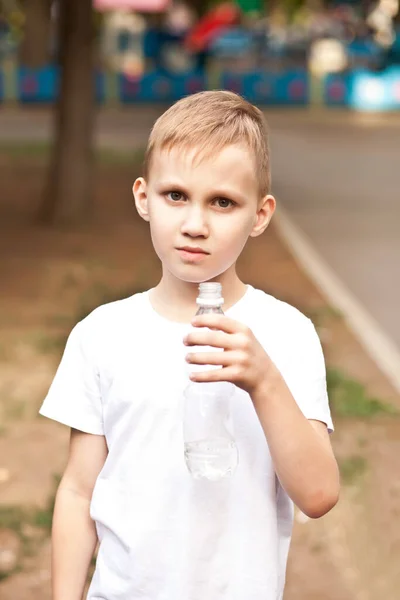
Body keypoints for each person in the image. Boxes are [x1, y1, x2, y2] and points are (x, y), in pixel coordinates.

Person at [39, 90, 340, 600]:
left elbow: (318, 495)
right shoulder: (101, 334)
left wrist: (263, 380)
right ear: (143, 198)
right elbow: (77, 491)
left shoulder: (286, 333)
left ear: (261, 215)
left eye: (222, 202)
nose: (195, 225)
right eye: (175, 195)